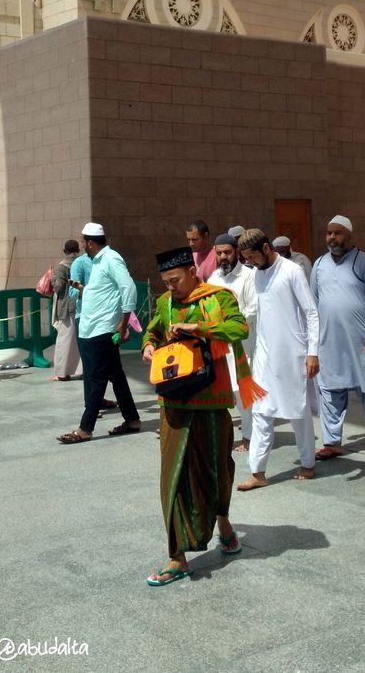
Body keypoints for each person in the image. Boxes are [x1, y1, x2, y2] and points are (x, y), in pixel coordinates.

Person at [142, 245, 262, 586]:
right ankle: (177, 557)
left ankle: (223, 522)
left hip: (211, 400)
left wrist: (200, 329)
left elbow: (239, 328)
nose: (170, 288)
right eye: (165, 282)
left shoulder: (219, 298)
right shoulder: (165, 304)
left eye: (175, 280)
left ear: (193, 272)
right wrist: (149, 346)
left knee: (219, 471)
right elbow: (150, 331)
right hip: (174, 402)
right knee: (173, 478)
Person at [236, 229, 319, 489]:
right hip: (264, 355)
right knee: (261, 411)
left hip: (293, 355)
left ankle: (308, 463)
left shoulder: (291, 271)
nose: (250, 262)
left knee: (298, 411)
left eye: (252, 256)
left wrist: (312, 352)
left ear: (266, 248)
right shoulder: (256, 275)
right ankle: (258, 472)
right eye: (246, 258)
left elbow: (312, 313)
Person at [311, 215, 365, 458]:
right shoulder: (319, 265)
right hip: (329, 341)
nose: (332, 237)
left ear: (349, 236)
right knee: (330, 390)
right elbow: (313, 304)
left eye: (338, 232)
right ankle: (332, 441)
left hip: (361, 341)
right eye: (329, 232)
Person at [57, 222, 141, 444]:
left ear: (90, 243)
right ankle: (132, 419)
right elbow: (105, 291)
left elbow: (128, 288)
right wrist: (85, 290)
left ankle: (85, 428)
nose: (83, 245)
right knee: (117, 377)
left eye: (85, 242)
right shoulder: (98, 261)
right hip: (92, 328)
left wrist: (123, 325)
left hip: (102, 330)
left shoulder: (112, 259)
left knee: (95, 379)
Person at [208, 233, 258, 451]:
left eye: (227, 252)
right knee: (225, 392)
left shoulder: (249, 276)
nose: (223, 257)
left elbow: (253, 310)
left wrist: (228, 324)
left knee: (243, 393)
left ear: (236, 252)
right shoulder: (213, 279)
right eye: (219, 253)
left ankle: (249, 437)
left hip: (243, 346)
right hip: (219, 345)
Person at [69, 246, 117, 416]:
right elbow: (72, 291)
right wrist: (89, 293)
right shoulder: (79, 263)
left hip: (106, 318)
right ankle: (91, 403)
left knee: (109, 364)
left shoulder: (108, 260)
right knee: (90, 364)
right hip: (86, 317)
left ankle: (99, 399)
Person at [50, 239, 82, 381]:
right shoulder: (84, 263)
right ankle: (83, 371)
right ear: (78, 250)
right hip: (82, 305)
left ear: (64, 251)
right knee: (81, 341)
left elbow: (59, 288)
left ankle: (62, 373)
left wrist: (52, 278)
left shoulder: (62, 266)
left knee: (64, 340)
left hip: (66, 307)